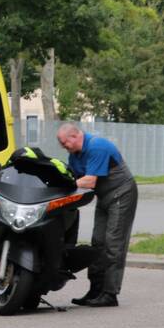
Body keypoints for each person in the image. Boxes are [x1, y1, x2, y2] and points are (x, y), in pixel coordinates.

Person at [57, 123, 139, 308]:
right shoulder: (74, 155)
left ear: (75, 136)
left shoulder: (97, 146)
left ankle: (110, 294)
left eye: (64, 143)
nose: (63, 147)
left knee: (113, 243)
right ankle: (95, 291)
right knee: (97, 242)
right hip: (104, 197)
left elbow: (89, 181)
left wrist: (63, 185)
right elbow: (73, 179)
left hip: (122, 194)